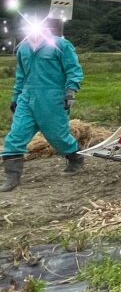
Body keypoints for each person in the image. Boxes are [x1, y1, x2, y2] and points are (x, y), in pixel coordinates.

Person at [2, 16, 85, 192]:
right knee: (16, 135)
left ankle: (75, 157)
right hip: (27, 98)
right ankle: (12, 178)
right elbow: (21, 76)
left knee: (57, 136)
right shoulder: (23, 49)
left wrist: (70, 92)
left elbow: (73, 70)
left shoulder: (61, 45)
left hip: (52, 99)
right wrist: (15, 97)